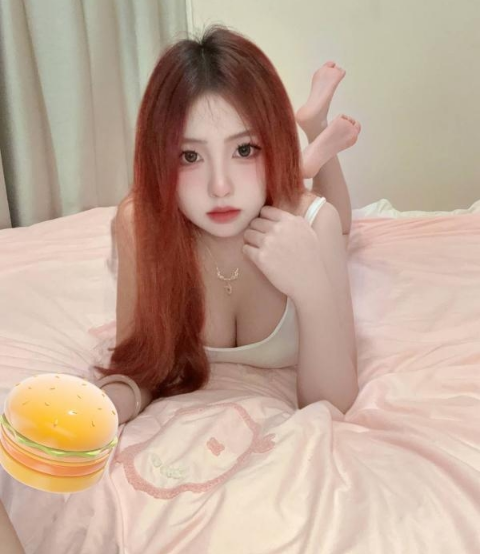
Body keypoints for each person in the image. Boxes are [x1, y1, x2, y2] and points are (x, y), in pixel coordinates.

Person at [93, 24, 360, 421]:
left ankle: (315, 129)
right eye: (190, 157)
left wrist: (312, 289)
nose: (220, 187)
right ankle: (305, 154)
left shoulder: (313, 223)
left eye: (245, 149)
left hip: (300, 213)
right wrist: (105, 406)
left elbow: (334, 402)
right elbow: (139, 367)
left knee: (341, 228)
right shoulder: (140, 224)